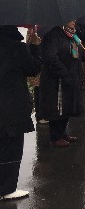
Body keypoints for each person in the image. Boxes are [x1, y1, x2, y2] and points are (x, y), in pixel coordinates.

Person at [0, 26, 41, 201]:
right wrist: (34, 46)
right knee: (12, 146)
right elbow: (32, 68)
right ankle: (7, 188)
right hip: (12, 104)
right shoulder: (16, 47)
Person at [39, 21, 85, 147]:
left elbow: (75, 53)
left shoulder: (72, 35)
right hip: (57, 79)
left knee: (67, 105)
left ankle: (63, 133)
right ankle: (55, 137)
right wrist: (65, 74)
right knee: (58, 108)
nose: (74, 21)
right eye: (71, 19)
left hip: (71, 77)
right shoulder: (52, 36)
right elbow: (50, 58)